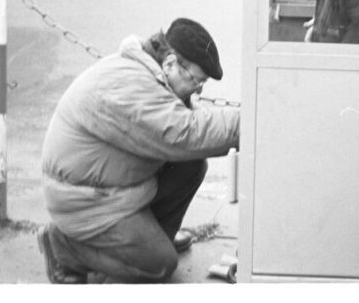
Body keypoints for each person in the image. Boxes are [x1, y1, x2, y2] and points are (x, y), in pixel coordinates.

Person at [37, 18, 239, 284]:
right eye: (196, 80)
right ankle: (65, 248)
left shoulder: (151, 74)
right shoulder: (133, 86)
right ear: (170, 63)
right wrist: (249, 120)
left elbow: (189, 123)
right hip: (83, 200)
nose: (199, 89)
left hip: (110, 188)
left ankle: (148, 242)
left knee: (191, 166)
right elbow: (184, 133)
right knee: (160, 264)